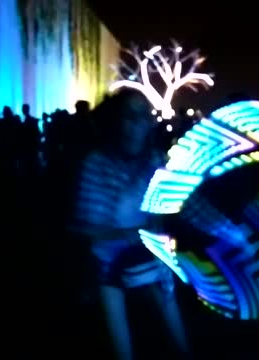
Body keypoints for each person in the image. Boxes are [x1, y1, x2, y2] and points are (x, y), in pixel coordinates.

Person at [69, 90, 190, 360]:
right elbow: (83, 227)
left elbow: (160, 212)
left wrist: (157, 241)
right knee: (120, 338)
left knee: (169, 310)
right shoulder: (97, 164)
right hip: (106, 260)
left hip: (144, 254)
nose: (137, 124)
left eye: (143, 116)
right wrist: (129, 234)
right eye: (129, 116)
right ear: (116, 121)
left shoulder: (155, 160)